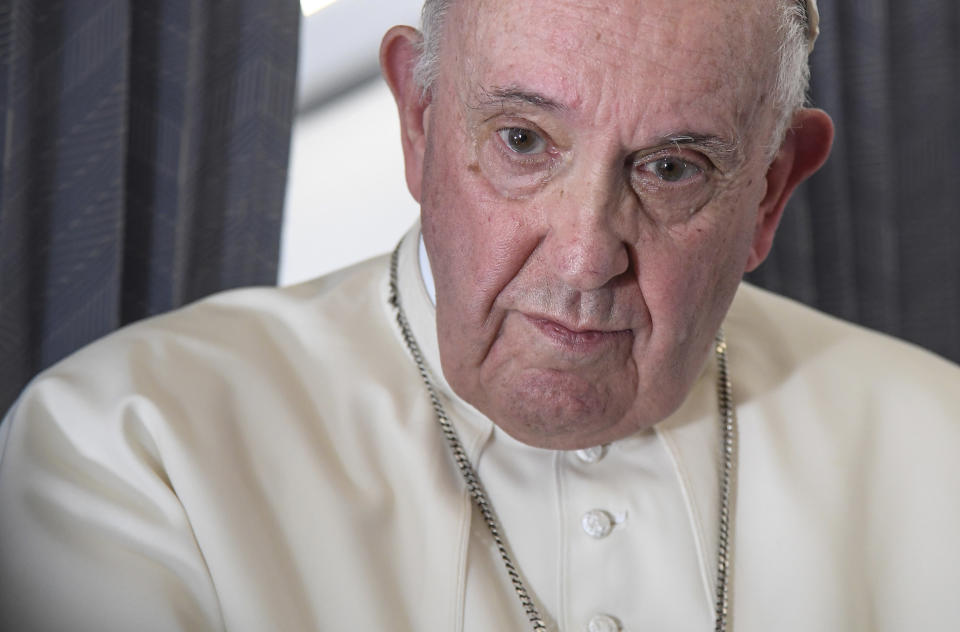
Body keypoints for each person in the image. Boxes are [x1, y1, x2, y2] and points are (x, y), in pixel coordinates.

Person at [2, 0, 958, 630]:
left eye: (671, 167)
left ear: (769, 191)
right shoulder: (130, 448)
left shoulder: (939, 449)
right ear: (417, 121)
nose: (587, 256)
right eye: (523, 141)